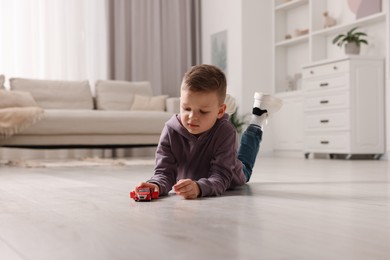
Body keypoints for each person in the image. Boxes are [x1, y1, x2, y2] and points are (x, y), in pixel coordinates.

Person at [131, 64, 282, 199]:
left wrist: (199, 187)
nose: (192, 117)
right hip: (200, 176)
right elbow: (164, 172)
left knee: (244, 164)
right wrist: (155, 185)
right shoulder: (170, 131)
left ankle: (258, 118)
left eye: (203, 112)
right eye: (186, 108)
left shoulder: (226, 132)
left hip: (232, 175)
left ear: (221, 111)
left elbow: (221, 177)